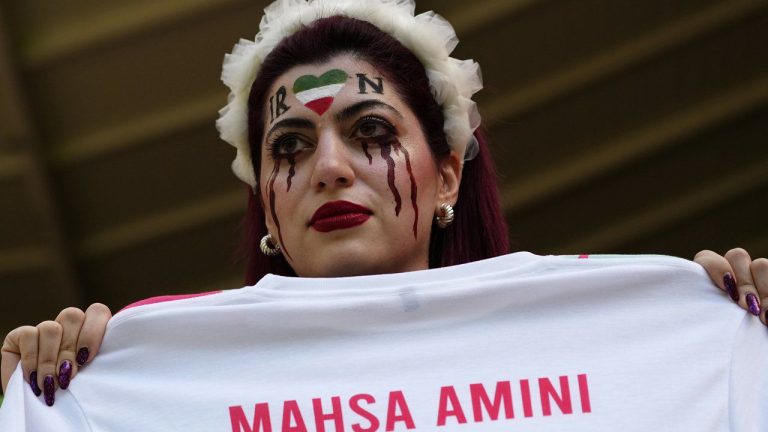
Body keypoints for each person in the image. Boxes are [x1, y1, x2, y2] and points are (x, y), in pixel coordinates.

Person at [1, 0, 766, 417]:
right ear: (265, 206)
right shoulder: (139, 379)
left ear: (448, 178)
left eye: (370, 132)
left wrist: (718, 330)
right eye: (290, 147)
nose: (329, 169)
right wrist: (41, 401)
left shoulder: (635, 331)